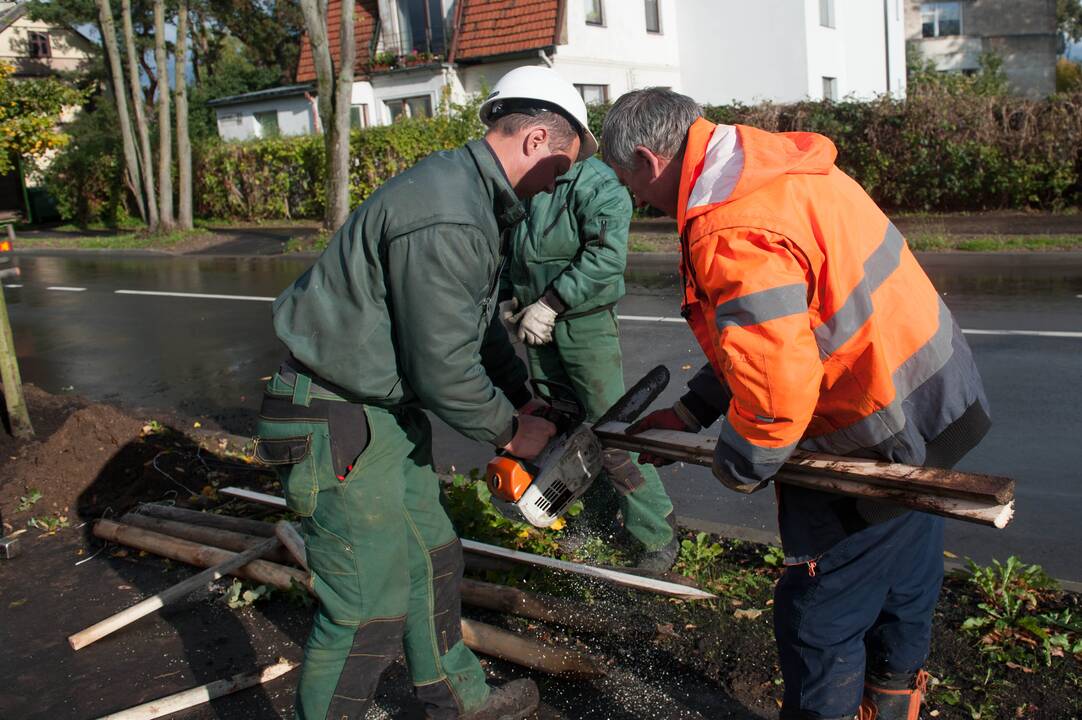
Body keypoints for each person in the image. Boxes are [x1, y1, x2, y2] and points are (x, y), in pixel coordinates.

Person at [602, 89, 991, 720]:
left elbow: (779, 390)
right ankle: (894, 704)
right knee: (905, 581)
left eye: (627, 181)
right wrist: (695, 409)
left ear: (647, 160)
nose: (632, 197)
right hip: (932, 399)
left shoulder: (728, 225)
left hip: (870, 435)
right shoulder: (769, 166)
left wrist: (739, 463)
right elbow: (783, 324)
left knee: (819, 619)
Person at [255, 65, 597, 720]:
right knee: (365, 613)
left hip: (380, 415)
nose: (556, 184)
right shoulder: (450, 214)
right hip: (337, 416)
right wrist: (512, 432)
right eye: (559, 168)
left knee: (433, 558)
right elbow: (441, 367)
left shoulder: (469, 199)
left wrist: (519, 396)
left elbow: (476, 324)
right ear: (534, 141)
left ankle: (457, 701)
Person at [502, 155, 678, 571]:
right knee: (563, 430)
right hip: (537, 325)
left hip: (584, 323)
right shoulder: (527, 179)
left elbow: (604, 258)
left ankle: (658, 533)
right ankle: (597, 523)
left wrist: (550, 303)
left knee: (610, 430)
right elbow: (512, 246)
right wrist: (513, 294)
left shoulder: (597, 183)